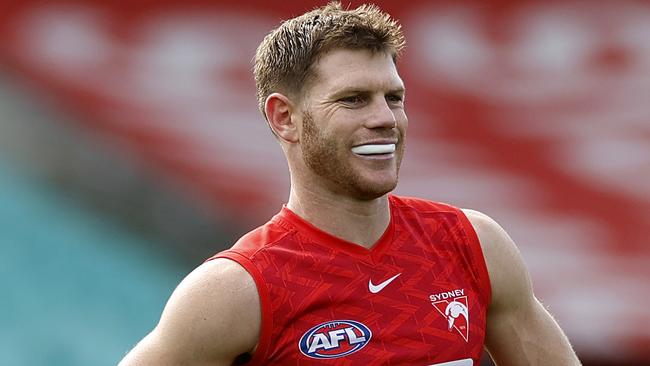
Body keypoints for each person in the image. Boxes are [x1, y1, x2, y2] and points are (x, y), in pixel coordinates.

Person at [119, 2, 582, 365]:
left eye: (393, 97)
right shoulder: (237, 291)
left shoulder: (472, 245)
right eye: (354, 99)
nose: (385, 119)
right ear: (285, 118)